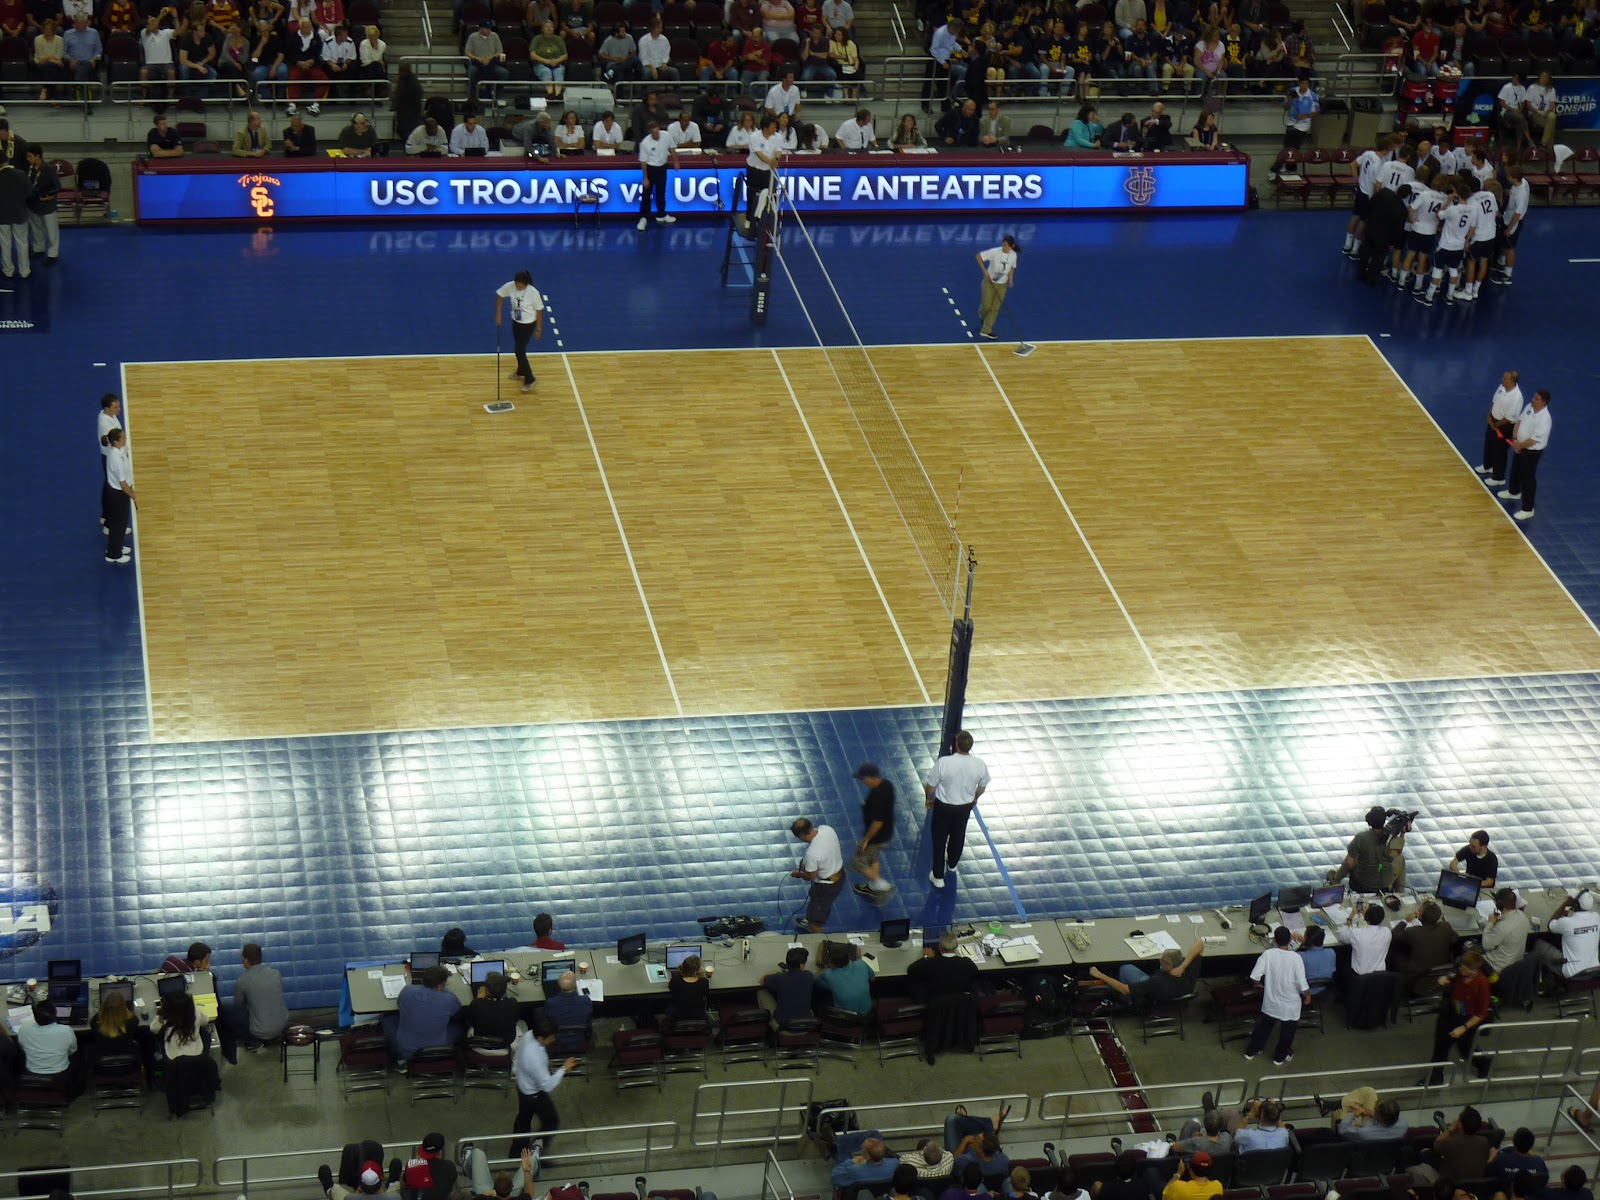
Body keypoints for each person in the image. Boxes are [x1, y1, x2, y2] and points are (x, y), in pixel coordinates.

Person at [924, 730, 990, 888]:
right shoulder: (979, 764)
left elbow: (931, 785)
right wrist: (974, 798)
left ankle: (938, 877)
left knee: (939, 840)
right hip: (964, 808)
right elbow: (982, 786)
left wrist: (928, 799)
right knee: (958, 835)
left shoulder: (944, 763)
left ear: (956, 745)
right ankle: (952, 864)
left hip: (943, 807)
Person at [1424, 948, 1492, 1085]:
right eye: (1461, 965)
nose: (1461, 969)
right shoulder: (1459, 973)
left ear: (1474, 970)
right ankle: (1435, 1077)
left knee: (1466, 1049)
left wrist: (1464, 1027)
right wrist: (1444, 979)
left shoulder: (1482, 983)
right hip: (1449, 1014)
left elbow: (1481, 1013)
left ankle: (1484, 1064)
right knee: (1440, 1048)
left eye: (1465, 967)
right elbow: (1451, 978)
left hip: (1466, 1018)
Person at [1244, 926, 1309, 1066]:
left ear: (1274, 940)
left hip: (1271, 1003)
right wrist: (1308, 996)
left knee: (1263, 1027)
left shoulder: (1268, 954)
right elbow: (1302, 983)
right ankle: (1279, 1057)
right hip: (1290, 1006)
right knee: (1287, 1033)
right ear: (1291, 940)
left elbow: (1255, 976)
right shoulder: (1296, 958)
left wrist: (1259, 985)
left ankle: (1252, 1051)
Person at [219, 942, 289, 1062]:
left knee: (224, 1011)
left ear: (246, 960)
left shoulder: (242, 981)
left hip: (260, 1031)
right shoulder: (276, 974)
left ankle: (251, 1042)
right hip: (282, 1024)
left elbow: (238, 1005)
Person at [1088, 940, 1204, 1011]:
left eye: (1162, 961)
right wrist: (1183, 966)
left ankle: (1129, 1002)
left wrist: (1099, 974)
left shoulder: (1156, 981)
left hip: (1156, 998)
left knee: (1125, 968)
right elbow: (1200, 943)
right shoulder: (1189, 968)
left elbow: (1124, 989)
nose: (1159, 960)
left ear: (1169, 966)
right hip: (1178, 995)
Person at [389, 964, 461, 1065]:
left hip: (405, 1050)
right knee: (459, 1026)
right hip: (436, 1050)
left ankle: (400, 1063)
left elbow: (399, 1003)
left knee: (389, 1020)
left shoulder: (407, 990)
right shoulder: (449, 999)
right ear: (440, 986)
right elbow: (456, 1009)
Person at [1499, 389, 1552, 522]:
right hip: (1520, 446)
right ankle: (1513, 491)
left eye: (1536, 399)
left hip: (1531, 452)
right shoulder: (1529, 407)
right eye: (1534, 397)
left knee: (1528, 478)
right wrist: (1515, 438)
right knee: (1515, 469)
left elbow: (1534, 440)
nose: (1533, 400)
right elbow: (1519, 422)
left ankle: (1528, 509)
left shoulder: (1544, 419)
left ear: (1544, 403)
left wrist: (1519, 446)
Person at [1530, 889, 1600, 986]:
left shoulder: (1568, 923)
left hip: (1571, 972)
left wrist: (1565, 903)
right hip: (1593, 969)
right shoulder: (1596, 917)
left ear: (1575, 905)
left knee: (1538, 944)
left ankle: (1543, 982)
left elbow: (1551, 925)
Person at [849, 762, 895, 900]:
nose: (862, 782)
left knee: (858, 861)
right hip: (886, 833)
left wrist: (866, 840)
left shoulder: (878, 798)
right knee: (873, 858)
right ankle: (873, 887)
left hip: (876, 837)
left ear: (870, 777)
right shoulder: (886, 784)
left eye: (863, 779)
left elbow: (877, 823)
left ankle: (882, 886)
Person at [789, 816, 844, 932]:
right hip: (840, 874)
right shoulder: (827, 829)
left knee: (818, 915)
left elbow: (811, 877)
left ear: (802, 835)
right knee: (817, 902)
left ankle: (816, 931)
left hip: (826, 887)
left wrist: (797, 874)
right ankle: (811, 918)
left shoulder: (812, 853)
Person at [1330, 806, 1401, 893]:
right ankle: (1400, 893)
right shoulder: (1392, 838)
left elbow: (1349, 863)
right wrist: (1403, 833)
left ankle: (1335, 881)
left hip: (1364, 884)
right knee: (1400, 859)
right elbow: (1395, 854)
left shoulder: (1361, 838)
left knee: (1355, 857)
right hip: (1384, 883)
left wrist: (1337, 878)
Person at [495, 270, 544, 394]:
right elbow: (500, 295)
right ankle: (521, 371)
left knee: (519, 350)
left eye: (520, 286)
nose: (518, 287)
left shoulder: (533, 293)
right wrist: (498, 314)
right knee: (518, 348)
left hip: (528, 324)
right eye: (517, 285)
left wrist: (538, 329)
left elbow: (539, 311)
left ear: (526, 284)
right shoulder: (511, 286)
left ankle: (530, 379)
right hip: (516, 322)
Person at [18, 1001, 82, 1095]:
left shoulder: (24, 1029)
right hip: (60, 1075)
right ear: (55, 1014)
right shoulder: (66, 1030)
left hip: (32, 1073)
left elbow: (22, 1047)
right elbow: (73, 1050)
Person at [1478, 372, 1524, 486]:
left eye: (1505, 378)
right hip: (1493, 421)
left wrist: (1496, 425)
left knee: (1500, 451)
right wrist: (1489, 417)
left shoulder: (1517, 397)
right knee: (1489, 444)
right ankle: (1488, 466)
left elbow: (1509, 417)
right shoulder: (1502, 387)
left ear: (1512, 382)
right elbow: (1494, 402)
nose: (1502, 379)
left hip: (1504, 426)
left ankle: (1498, 477)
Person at [635, 119, 676, 230]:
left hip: (662, 167)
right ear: (650, 132)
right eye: (654, 132)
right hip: (651, 168)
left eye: (657, 131)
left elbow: (671, 148)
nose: (656, 134)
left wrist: (676, 161)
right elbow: (643, 162)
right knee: (646, 194)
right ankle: (643, 218)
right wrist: (646, 178)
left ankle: (661, 214)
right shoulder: (645, 143)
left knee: (661, 192)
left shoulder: (666, 135)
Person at [1434, 1107, 1493, 1183]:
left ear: (1460, 1124)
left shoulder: (1450, 1142)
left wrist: (1451, 1128)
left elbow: (1436, 1144)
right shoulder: (1484, 1141)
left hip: (1452, 1187)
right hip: (1476, 1186)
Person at [103, 426, 136, 565]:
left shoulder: (117, 450)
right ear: (116, 442)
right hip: (119, 494)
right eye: (123, 438)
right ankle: (113, 554)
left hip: (118, 493)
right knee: (118, 524)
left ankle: (117, 547)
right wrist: (132, 494)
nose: (125, 439)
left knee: (120, 524)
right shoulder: (116, 459)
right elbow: (122, 483)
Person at [761, 945, 815, 1026]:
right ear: (801, 965)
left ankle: (768, 1023)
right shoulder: (809, 975)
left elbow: (762, 979)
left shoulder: (779, 977)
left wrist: (776, 974)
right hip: (806, 1023)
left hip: (783, 1024)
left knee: (761, 992)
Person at [1483, 888, 1532, 977]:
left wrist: (1490, 922)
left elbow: (1486, 944)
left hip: (1496, 969)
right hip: (1514, 966)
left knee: (1466, 952)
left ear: (1500, 904)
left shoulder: (1502, 927)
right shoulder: (1523, 917)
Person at [815, 941, 872, 1015]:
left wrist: (824, 968)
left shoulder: (828, 974)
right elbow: (872, 978)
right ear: (848, 957)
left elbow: (815, 981)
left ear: (831, 963)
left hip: (845, 1018)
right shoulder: (861, 964)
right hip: (866, 1012)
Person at [465, 971, 521, 1044]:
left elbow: (470, 1022)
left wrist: (479, 1000)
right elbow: (516, 1019)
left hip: (481, 1043)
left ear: (487, 991)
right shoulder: (512, 1003)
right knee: (523, 1024)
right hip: (506, 1043)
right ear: (505, 989)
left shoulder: (476, 1004)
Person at [1340, 902, 1393, 976]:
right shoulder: (1387, 932)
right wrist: (1368, 915)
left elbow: (1343, 936)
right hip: (1379, 976)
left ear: (1366, 918)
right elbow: (1377, 921)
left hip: (1359, 977)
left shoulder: (1357, 933)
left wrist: (1350, 917)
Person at [745, 113, 780, 220]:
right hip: (755, 170)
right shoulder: (754, 137)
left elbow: (778, 151)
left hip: (769, 172)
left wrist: (776, 159)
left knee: (770, 194)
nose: (775, 129)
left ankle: (768, 219)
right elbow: (760, 155)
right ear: (765, 128)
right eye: (773, 126)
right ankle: (750, 219)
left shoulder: (777, 137)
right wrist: (771, 162)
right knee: (753, 195)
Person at [542, 971, 593, 1044]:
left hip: (558, 1040)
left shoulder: (551, 1003)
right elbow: (589, 1017)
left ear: (558, 985)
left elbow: (546, 1017)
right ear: (575, 984)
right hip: (581, 1039)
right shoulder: (586, 1000)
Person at [832, 1138, 899, 1192]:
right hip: (880, 1194)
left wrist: (851, 1162)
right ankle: (835, 1143)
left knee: (841, 1153)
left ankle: (834, 1144)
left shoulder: (853, 1170)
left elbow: (835, 1178)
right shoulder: (895, 1164)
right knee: (875, 1133)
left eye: (862, 1149)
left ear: (867, 1156)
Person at [465, 20, 508, 103]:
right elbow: (467, 52)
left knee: (504, 73)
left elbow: (500, 51)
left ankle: (496, 95)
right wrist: (479, 59)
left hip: (492, 62)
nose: (489, 30)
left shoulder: (495, 36)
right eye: (486, 29)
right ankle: (473, 96)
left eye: (489, 29)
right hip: (477, 62)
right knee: (471, 71)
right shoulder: (473, 37)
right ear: (480, 29)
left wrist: (490, 58)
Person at [665, 954, 711, 1025]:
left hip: (678, 1015)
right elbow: (706, 994)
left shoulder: (676, 980)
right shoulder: (703, 982)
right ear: (697, 971)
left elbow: (671, 988)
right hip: (699, 1016)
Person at [1339, 1096, 1408, 1141]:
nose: (1373, 1109)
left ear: (1380, 1117)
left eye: (1375, 1110)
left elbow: (1343, 1130)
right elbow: (1387, 1117)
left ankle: (1340, 1103)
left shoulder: (1363, 1133)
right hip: (1387, 1159)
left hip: (1363, 1158)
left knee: (1339, 1113)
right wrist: (1369, 1113)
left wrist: (1352, 1113)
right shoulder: (1403, 1125)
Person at [1282, 76, 1318, 148]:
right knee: (1287, 145)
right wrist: (1289, 100)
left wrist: (1306, 116)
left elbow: (1317, 112)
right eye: (1302, 84)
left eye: (1306, 84)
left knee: (1296, 146)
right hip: (1291, 123)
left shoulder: (1313, 96)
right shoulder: (1292, 91)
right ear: (1299, 83)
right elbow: (1285, 107)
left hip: (1303, 125)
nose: (1304, 86)